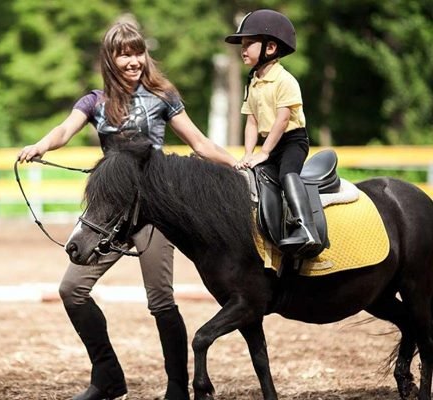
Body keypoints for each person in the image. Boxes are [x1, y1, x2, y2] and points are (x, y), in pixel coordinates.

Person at [17, 21, 237, 400]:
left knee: (161, 301)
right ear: (111, 58)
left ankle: (176, 388)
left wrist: (237, 165)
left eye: (138, 52)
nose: (133, 60)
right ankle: (107, 379)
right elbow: (64, 130)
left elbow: (199, 142)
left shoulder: (162, 96)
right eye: (124, 54)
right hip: (112, 213)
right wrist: (41, 145)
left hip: (154, 211)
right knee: (72, 290)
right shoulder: (95, 102)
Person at [225, 9, 321, 255]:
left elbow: (282, 119)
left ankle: (306, 228)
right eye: (242, 45)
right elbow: (252, 122)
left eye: (249, 44)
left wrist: (264, 151)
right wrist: (248, 154)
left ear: (270, 48)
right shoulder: (254, 82)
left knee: (288, 175)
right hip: (270, 144)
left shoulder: (285, 81)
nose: (243, 49)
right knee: (254, 179)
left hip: (291, 142)